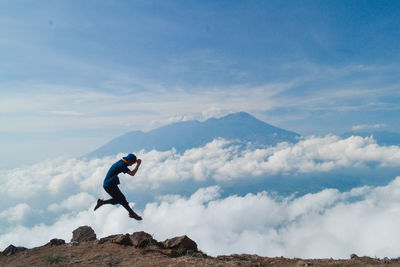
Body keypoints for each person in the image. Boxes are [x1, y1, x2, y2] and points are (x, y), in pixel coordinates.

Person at [94, 153, 142, 220]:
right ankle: (132, 213)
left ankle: (101, 202)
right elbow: (132, 174)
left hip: (109, 184)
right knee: (122, 199)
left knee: (118, 200)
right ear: (128, 161)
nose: (131, 165)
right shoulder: (121, 165)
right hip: (109, 185)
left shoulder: (121, 162)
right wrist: (138, 165)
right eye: (131, 163)